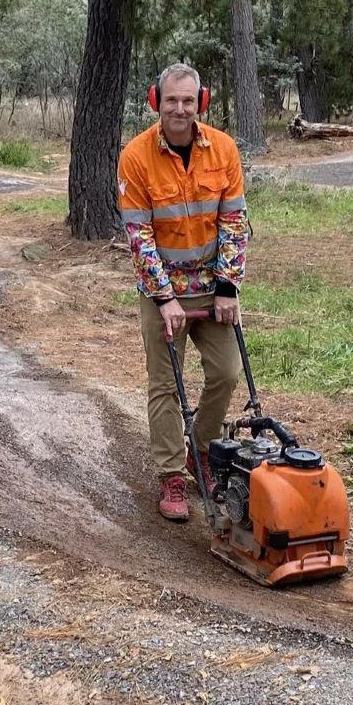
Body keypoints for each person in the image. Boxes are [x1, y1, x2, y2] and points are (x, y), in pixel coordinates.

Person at [117, 63, 249, 521]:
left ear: (201, 102)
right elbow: (139, 236)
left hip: (212, 288)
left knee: (227, 372)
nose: (179, 109)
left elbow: (234, 222)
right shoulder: (136, 156)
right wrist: (164, 298)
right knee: (165, 385)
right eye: (171, 100)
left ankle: (202, 451)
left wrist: (228, 286)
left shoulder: (223, 149)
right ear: (156, 101)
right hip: (163, 290)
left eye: (188, 101)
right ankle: (171, 473)